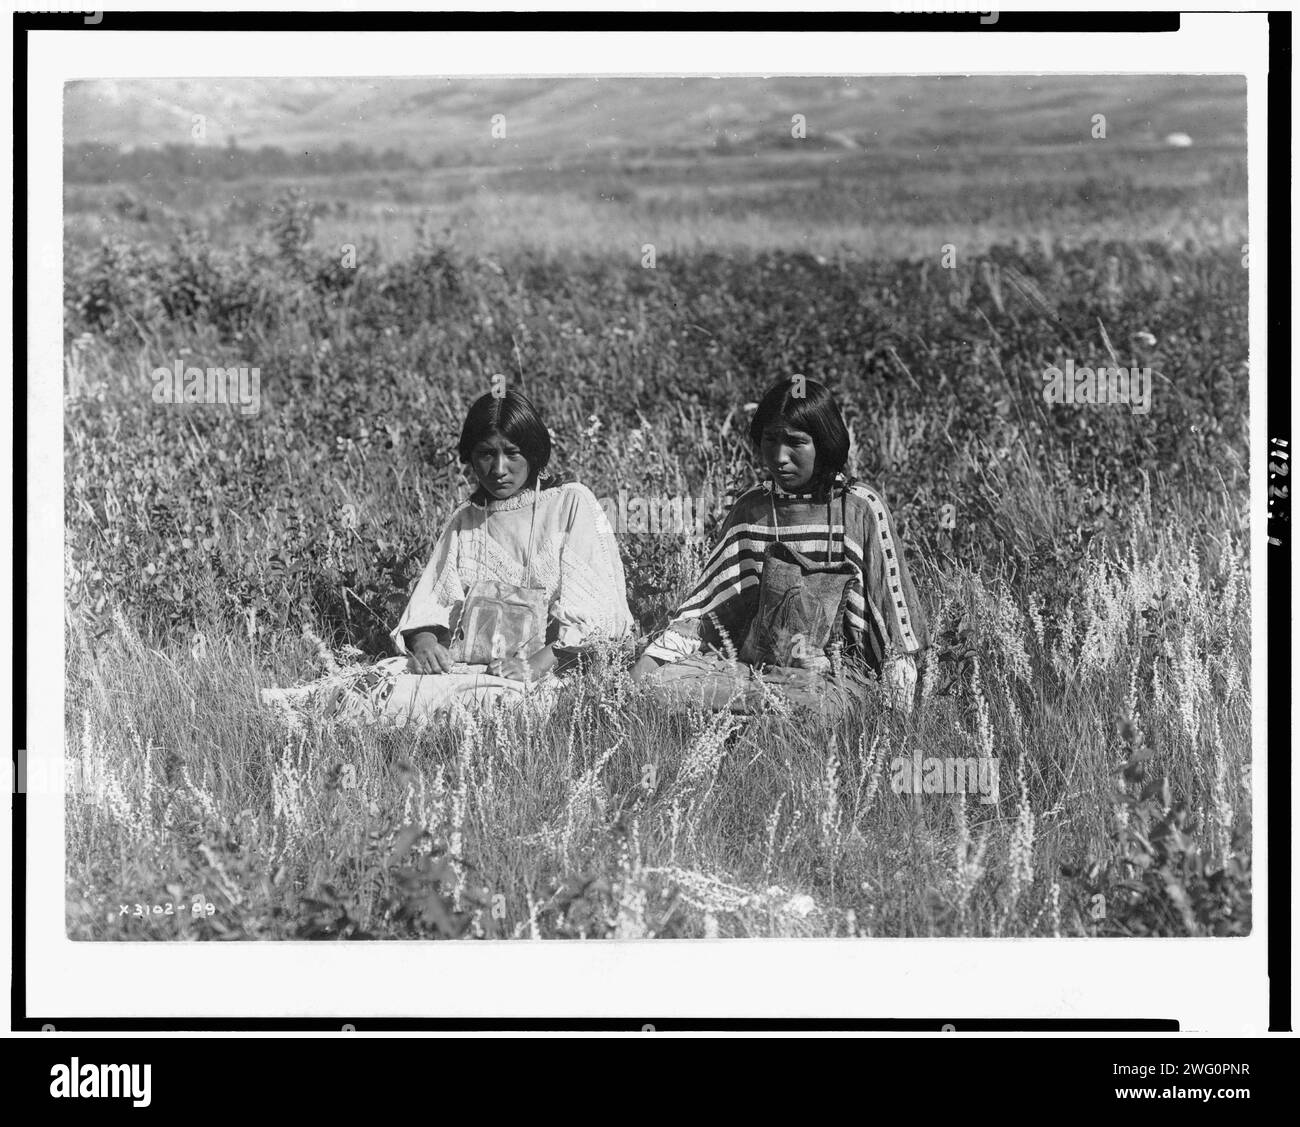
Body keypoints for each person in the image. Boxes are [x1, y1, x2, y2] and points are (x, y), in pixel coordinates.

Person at [265, 388, 634, 726]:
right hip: (475, 667)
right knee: (378, 685)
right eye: (486, 454)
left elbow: (600, 617)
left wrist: (533, 665)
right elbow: (433, 604)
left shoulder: (571, 502)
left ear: (534, 452)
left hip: (554, 669)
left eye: (512, 453)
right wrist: (425, 644)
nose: (499, 468)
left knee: (489, 706)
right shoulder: (467, 519)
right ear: (470, 459)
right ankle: (300, 711)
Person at [630, 377, 929, 714]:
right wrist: (645, 671)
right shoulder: (752, 507)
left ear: (826, 443)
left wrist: (901, 715)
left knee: (813, 708)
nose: (779, 456)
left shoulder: (859, 508)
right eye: (770, 440)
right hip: (753, 672)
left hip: (838, 676)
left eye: (796, 442)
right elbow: (707, 610)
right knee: (658, 689)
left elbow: (896, 627)